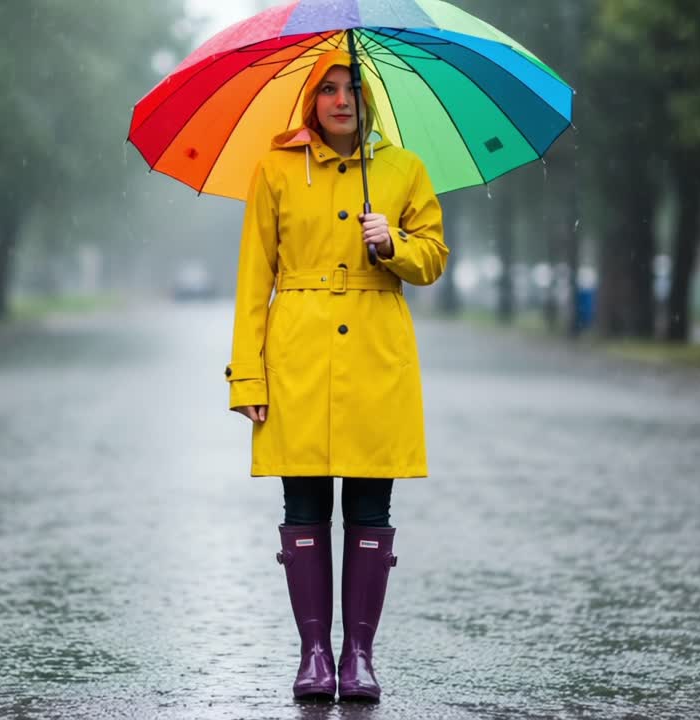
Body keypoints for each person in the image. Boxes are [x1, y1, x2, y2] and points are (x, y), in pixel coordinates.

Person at [223, 49, 448, 703]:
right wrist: (249, 380)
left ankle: (359, 657)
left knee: (372, 508)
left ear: (368, 99)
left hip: (377, 356)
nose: (341, 100)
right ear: (311, 101)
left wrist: (395, 245)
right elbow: (252, 281)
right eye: (328, 89)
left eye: (351, 88)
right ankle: (315, 654)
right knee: (304, 507)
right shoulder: (276, 171)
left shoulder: (404, 170)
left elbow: (433, 258)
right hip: (297, 356)